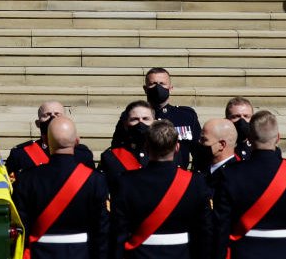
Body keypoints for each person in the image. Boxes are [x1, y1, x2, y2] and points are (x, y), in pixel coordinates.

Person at [212, 110, 286, 259]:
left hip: (244, 250)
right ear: (278, 138)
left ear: (249, 139)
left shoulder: (231, 174)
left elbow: (221, 227)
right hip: (284, 251)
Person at [110, 119, 212, 258]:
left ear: (146, 147)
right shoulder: (195, 182)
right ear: (177, 147)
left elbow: (119, 230)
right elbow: (204, 230)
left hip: (139, 253)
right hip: (181, 253)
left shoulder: (126, 181)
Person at [12, 116, 109, 259]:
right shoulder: (95, 180)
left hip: (39, 252)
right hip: (81, 252)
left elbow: (22, 227)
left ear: (46, 141)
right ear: (77, 140)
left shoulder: (27, 179)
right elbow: (102, 230)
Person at [5, 100, 95, 180]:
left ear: (66, 120)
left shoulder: (82, 154)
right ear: (38, 123)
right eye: (47, 115)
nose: (52, 117)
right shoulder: (20, 155)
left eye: (57, 114)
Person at [144, 68, 200, 169]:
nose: (158, 87)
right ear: (145, 89)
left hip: (178, 178)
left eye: (162, 83)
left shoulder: (186, 116)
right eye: (153, 84)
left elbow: (199, 152)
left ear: (170, 88)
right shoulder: (135, 118)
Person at [98, 100, 155, 192]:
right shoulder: (110, 158)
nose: (140, 123)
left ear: (154, 123)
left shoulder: (164, 154)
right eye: (134, 119)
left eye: (145, 119)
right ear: (125, 124)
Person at [194, 118, 238, 190]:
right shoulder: (203, 166)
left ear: (221, 145)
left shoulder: (233, 176)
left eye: (204, 140)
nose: (199, 142)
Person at [224, 97, 254, 161]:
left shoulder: (258, 146)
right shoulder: (221, 147)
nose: (242, 120)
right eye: (236, 116)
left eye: (246, 116)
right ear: (227, 119)